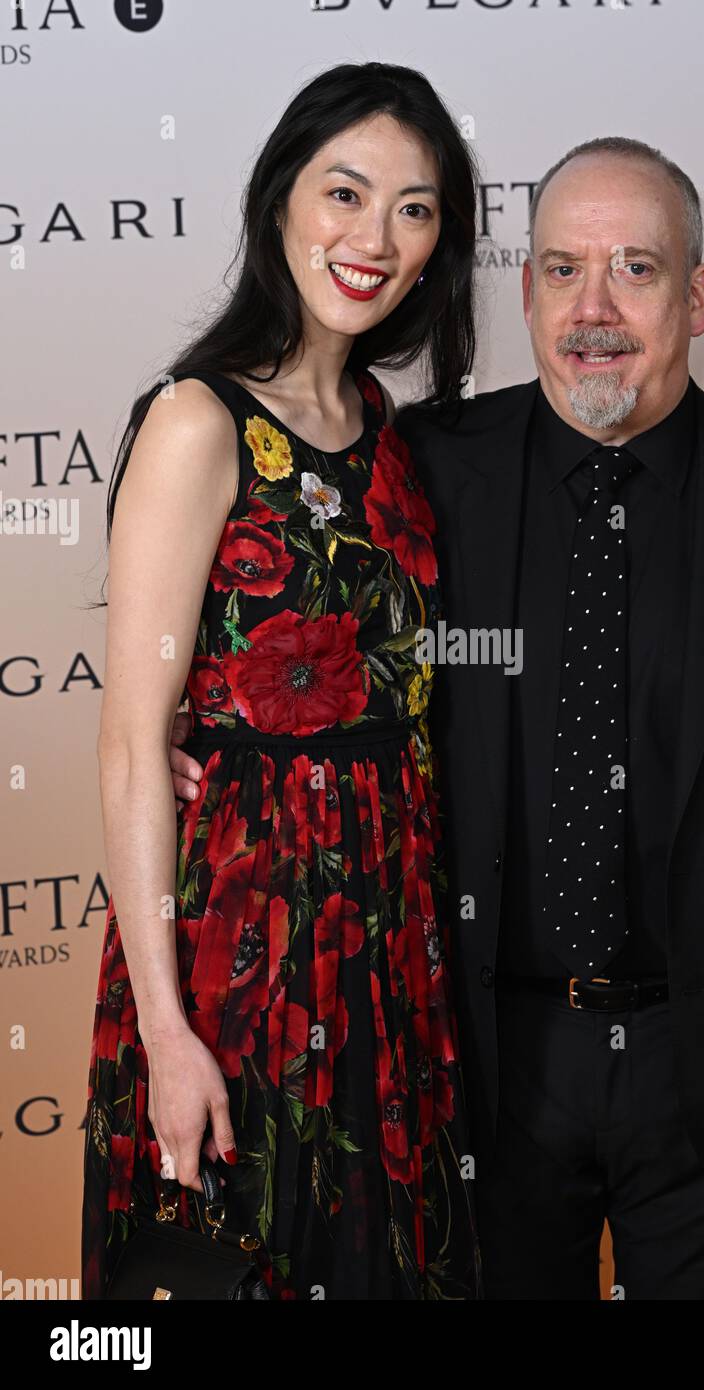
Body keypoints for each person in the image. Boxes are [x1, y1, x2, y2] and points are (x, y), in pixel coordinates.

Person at [171, 137, 704, 1299]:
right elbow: (303, 646)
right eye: (562, 269)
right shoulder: (425, 466)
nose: (593, 308)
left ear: (697, 296)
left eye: (635, 267)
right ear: (522, 294)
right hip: (477, 1070)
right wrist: (205, 727)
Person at [82, 61, 482, 1301]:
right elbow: (133, 741)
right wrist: (164, 1028)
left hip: (387, 946)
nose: (371, 238)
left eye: (412, 209)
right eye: (344, 192)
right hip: (235, 954)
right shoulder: (199, 423)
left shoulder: (390, 431)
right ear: (276, 204)